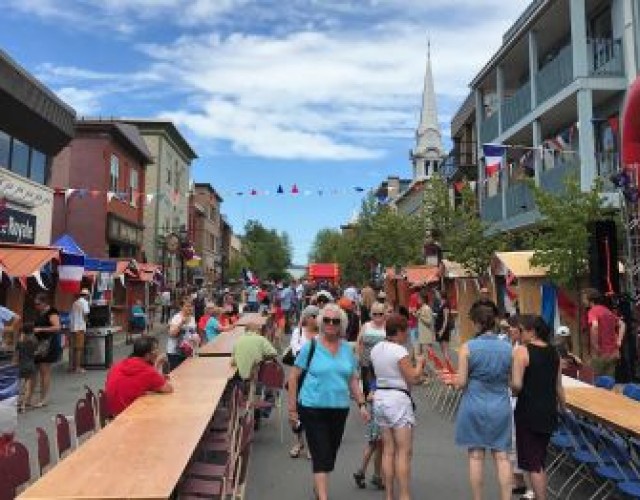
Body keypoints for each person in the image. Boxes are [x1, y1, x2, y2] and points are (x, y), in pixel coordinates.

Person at [287, 303, 369, 500]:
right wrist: (292, 410)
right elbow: (293, 376)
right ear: (321, 322)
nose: (331, 324)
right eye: (327, 320)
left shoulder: (347, 350)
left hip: (339, 409)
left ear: (342, 324)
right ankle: (323, 496)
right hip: (312, 407)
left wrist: (361, 404)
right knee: (320, 453)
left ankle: (319, 487)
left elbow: (352, 379)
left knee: (329, 455)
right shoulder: (311, 346)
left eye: (336, 321)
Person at [455, 304, 513, 500]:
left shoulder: (468, 348)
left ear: (477, 324)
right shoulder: (508, 348)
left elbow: (461, 382)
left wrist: (454, 382)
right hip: (500, 403)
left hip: (474, 402)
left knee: (476, 456)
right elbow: (513, 383)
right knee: (502, 456)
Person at [371, 314, 426, 500]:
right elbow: (413, 377)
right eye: (406, 331)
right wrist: (419, 364)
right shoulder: (399, 351)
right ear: (400, 332)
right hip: (397, 399)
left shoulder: (377, 348)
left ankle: (388, 494)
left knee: (388, 449)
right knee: (404, 450)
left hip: (381, 397)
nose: (407, 335)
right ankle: (404, 494)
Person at [512, 315, 565, 500]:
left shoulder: (522, 351)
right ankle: (535, 495)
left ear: (532, 331)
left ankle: (540, 497)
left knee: (534, 462)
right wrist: (563, 409)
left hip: (528, 411)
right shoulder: (554, 352)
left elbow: (517, 385)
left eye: (521, 330)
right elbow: (558, 385)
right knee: (539, 457)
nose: (519, 334)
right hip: (549, 410)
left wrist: (511, 387)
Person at [105, 336, 172, 417]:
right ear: (147, 355)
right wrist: (157, 363)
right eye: (156, 350)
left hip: (113, 414)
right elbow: (168, 389)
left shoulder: (118, 364)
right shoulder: (147, 370)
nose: (158, 352)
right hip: (130, 415)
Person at [288, 313, 319, 459]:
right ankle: (298, 442)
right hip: (299, 375)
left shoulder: (322, 335)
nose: (313, 318)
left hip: (315, 377)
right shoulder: (298, 331)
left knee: (312, 411)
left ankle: (311, 445)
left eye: (315, 315)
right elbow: (295, 350)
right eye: (310, 315)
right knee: (296, 411)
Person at [582, 288, 623, 377]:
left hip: (600, 353)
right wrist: (619, 342)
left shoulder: (593, 311)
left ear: (591, 300)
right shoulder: (607, 311)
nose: (583, 301)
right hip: (612, 353)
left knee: (594, 382)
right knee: (608, 383)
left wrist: (595, 345)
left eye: (584, 298)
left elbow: (595, 326)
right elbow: (622, 324)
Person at [32, 293, 62, 408]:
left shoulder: (52, 312)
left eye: (38, 304)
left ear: (44, 303)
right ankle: (38, 397)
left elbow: (57, 327)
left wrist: (41, 329)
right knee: (39, 370)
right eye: (35, 304)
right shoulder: (41, 312)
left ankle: (44, 398)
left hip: (48, 344)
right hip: (40, 345)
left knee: (45, 371)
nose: (36, 306)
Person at [353, 380, 383, 490]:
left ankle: (361, 471)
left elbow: (370, 398)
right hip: (381, 418)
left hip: (375, 417)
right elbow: (370, 397)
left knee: (372, 446)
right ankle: (377, 476)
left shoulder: (377, 380)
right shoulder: (382, 381)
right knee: (379, 448)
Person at [357, 301, 387, 399]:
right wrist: (358, 359)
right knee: (367, 388)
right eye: (375, 314)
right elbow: (359, 342)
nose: (377, 316)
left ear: (384, 314)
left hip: (383, 364)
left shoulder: (387, 327)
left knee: (381, 390)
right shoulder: (366, 326)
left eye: (380, 314)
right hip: (366, 363)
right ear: (371, 314)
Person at [167, 298, 198, 371]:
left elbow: (192, 333)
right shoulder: (176, 318)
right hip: (175, 352)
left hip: (188, 351)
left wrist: (196, 338)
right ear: (181, 307)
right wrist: (181, 323)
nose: (190, 308)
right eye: (187, 306)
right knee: (176, 375)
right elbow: (172, 334)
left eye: (191, 306)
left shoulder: (192, 318)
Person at [13, 322, 37, 413]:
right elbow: (35, 352)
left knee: (18, 385)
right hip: (30, 365)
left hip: (21, 365)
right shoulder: (34, 341)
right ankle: (23, 406)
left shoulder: (20, 343)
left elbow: (16, 356)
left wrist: (14, 363)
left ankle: (16, 403)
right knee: (27, 386)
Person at [68, 288, 90, 373]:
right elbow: (85, 315)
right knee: (79, 348)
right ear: (87, 295)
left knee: (72, 348)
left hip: (73, 328)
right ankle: (77, 367)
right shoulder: (85, 303)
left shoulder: (75, 302)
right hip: (80, 327)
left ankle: (71, 367)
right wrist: (87, 322)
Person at [434, 291, 453, 361]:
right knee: (442, 349)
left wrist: (442, 330)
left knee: (445, 350)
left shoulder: (446, 305)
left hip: (443, 329)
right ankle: (447, 366)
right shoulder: (441, 304)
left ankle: (449, 368)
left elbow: (446, 319)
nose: (437, 295)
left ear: (441, 295)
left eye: (438, 293)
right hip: (439, 328)